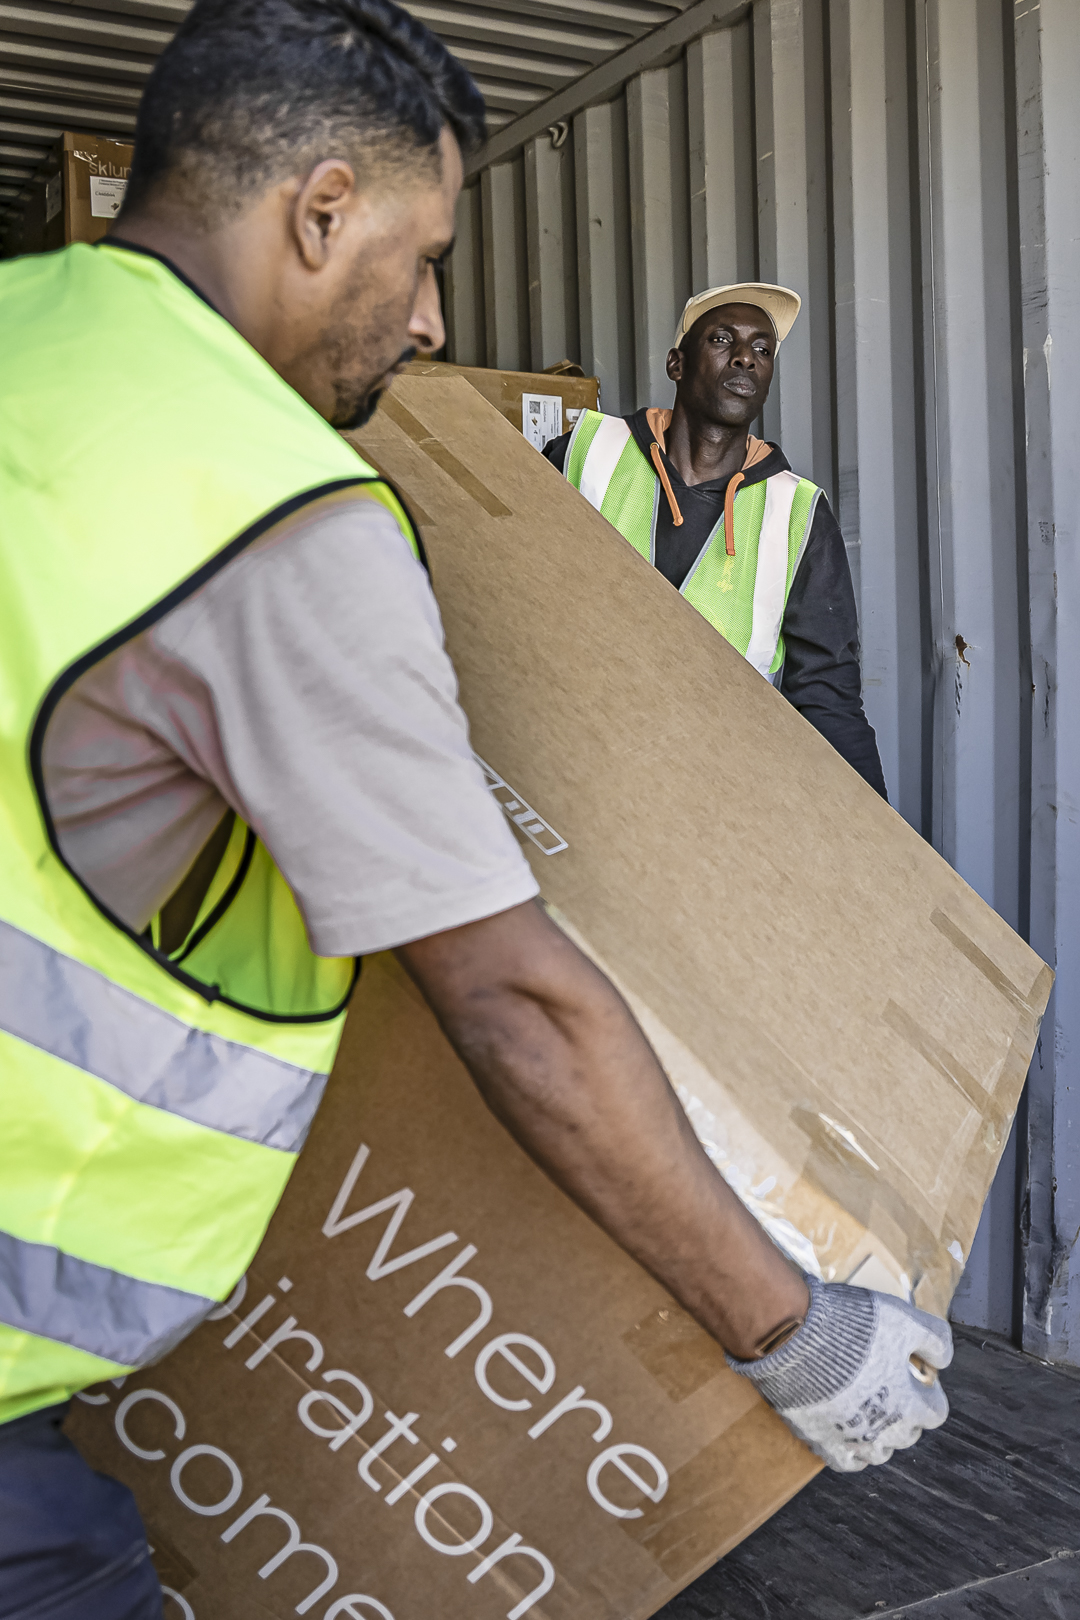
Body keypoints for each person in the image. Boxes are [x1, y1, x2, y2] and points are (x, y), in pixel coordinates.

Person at [0, 3, 949, 1613]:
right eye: (425, 253)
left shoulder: (29, 330)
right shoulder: (276, 511)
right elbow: (511, 996)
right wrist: (797, 1331)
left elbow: (823, 685)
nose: (437, 321)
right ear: (319, 213)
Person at [543, 285, 888, 797]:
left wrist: (878, 838)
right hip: (571, 769)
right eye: (723, 338)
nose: (746, 357)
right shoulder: (585, 454)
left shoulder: (796, 515)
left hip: (710, 793)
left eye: (763, 349)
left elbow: (827, 693)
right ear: (676, 364)